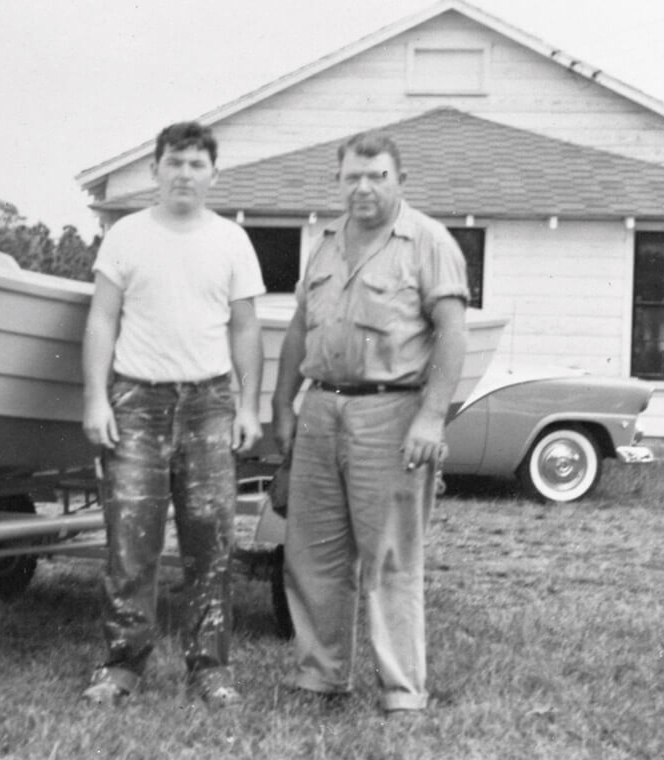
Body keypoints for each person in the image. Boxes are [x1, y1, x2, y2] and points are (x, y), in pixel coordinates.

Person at [271, 129, 469, 712]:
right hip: (321, 408)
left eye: (377, 176)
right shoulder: (326, 242)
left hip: (392, 411)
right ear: (338, 181)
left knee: (390, 558)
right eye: (352, 176)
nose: (363, 187)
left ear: (400, 180)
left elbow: (452, 333)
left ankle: (402, 690)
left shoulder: (428, 241)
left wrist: (431, 418)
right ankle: (320, 676)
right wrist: (282, 405)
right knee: (312, 554)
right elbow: (299, 327)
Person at [80, 121, 266, 707]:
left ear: (213, 173)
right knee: (130, 543)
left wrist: (249, 405)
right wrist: (95, 398)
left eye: (196, 164)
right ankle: (121, 666)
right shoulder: (125, 236)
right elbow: (102, 319)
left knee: (210, 543)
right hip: (136, 402)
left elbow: (245, 327)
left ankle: (210, 669)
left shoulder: (232, 240)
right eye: (174, 162)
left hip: (210, 405)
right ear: (155, 169)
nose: (184, 174)